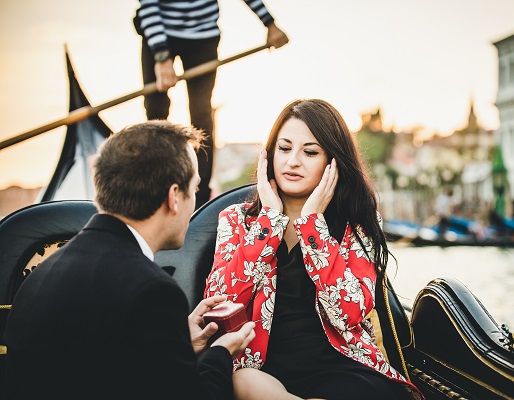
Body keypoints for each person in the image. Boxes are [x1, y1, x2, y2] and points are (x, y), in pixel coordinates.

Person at [4, 120, 256, 400]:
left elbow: (98, 369)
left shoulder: (40, 275)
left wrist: (177, 341)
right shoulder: (152, 291)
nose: (193, 200)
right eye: (194, 190)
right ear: (174, 197)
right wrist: (221, 352)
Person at [204, 99, 425, 400]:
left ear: (332, 161)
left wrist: (312, 228)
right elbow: (220, 303)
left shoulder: (358, 224)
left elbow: (350, 313)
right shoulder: (236, 220)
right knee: (243, 381)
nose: (292, 161)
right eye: (284, 148)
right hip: (261, 371)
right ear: (268, 155)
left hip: (346, 368)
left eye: (309, 152)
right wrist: (268, 222)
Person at [133, 0, 289, 209]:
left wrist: (269, 23)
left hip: (203, 37)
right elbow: (149, 5)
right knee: (156, 113)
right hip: (160, 32)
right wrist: (161, 55)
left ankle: (200, 195)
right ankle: (157, 184)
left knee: (201, 115)